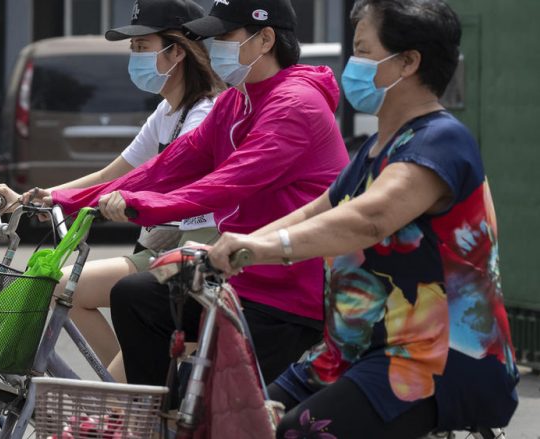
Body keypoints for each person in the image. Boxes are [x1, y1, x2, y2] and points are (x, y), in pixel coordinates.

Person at [207, 0, 518, 436]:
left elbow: (371, 218)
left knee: (299, 431)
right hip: (353, 351)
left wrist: (262, 248)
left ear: (408, 62)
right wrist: (230, 248)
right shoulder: (374, 151)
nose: (352, 64)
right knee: (238, 422)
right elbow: (318, 210)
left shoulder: (441, 140)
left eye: (364, 51)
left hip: (434, 358)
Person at [50, 0, 349, 397]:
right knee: (136, 296)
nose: (215, 47)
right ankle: (151, 414)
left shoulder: (294, 104)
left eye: (225, 36)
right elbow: (166, 166)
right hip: (238, 279)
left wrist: (142, 205)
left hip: (284, 292)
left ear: (265, 39)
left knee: (218, 409)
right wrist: (72, 200)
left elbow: (227, 183)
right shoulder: (236, 102)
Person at [0, 0, 224, 379]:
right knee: (65, 288)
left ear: (177, 51)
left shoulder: (204, 113)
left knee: (70, 288)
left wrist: (99, 200)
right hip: (165, 245)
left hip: (195, 246)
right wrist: (36, 197)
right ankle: (132, 380)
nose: (134, 57)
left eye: (142, 47)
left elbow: (152, 180)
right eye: (133, 49)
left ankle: (129, 387)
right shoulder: (167, 112)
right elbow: (112, 172)